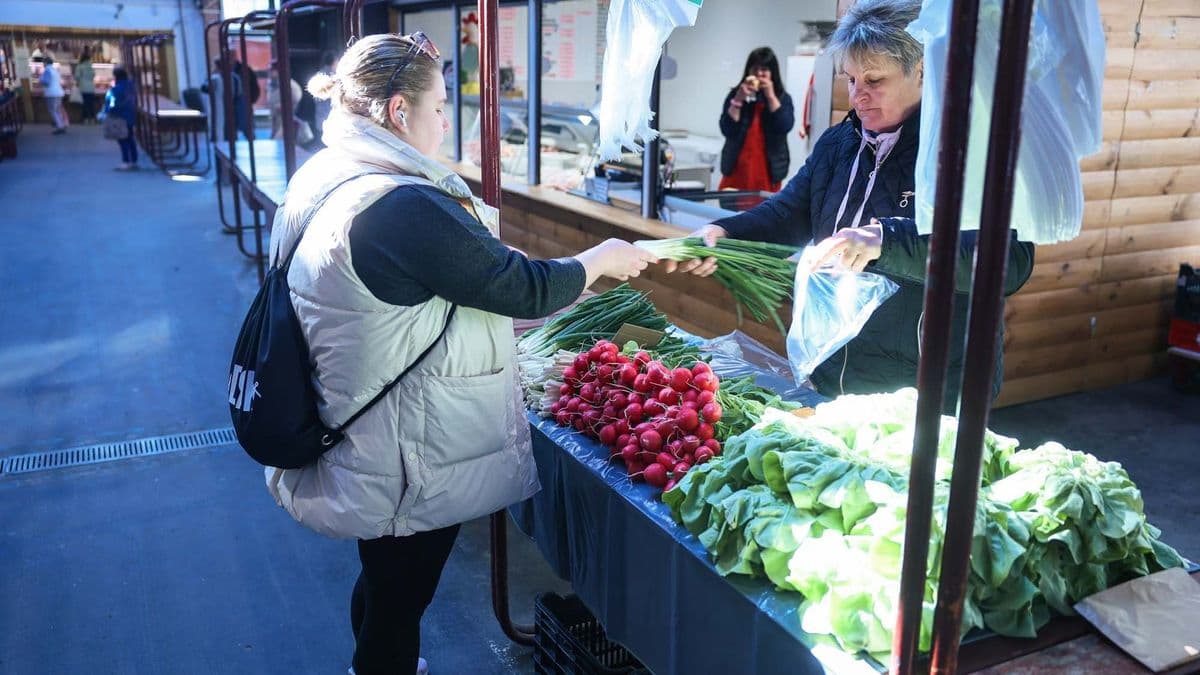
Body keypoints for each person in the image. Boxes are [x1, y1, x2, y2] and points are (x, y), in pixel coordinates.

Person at [264, 32, 659, 675]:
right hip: (403, 445)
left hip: (354, 415)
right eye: (442, 106)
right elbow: (521, 287)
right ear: (398, 112)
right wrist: (600, 261)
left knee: (386, 575)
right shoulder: (401, 203)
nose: (448, 121)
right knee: (401, 592)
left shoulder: (331, 170)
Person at [676, 0, 1035, 406]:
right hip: (834, 372)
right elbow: (789, 212)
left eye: (874, 80)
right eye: (850, 80)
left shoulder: (964, 152)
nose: (857, 97)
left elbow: (1010, 262)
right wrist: (726, 232)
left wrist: (887, 241)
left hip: (927, 388)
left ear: (922, 71)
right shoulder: (839, 143)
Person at [718, 46, 795, 192]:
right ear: (748, 70)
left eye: (764, 70)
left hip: (768, 173)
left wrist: (770, 96)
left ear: (773, 73)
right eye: (755, 69)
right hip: (736, 171)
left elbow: (785, 126)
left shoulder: (783, 98)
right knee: (731, 213)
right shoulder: (736, 94)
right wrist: (738, 99)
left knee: (765, 213)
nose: (759, 74)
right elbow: (727, 129)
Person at [101, 67, 138, 170]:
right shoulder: (131, 86)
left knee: (122, 139)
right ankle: (134, 160)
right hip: (130, 115)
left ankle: (126, 161)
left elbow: (112, 104)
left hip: (120, 117)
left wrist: (107, 111)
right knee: (130, 138)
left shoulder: (115, 89)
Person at [310, 50, 338, 140]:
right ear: (334, 61)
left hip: (320, 118)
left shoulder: (317, 75)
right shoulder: (335, 77)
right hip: (332, 119)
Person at [40, 56, 67, 134]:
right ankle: (62, 124)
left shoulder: (47, 71)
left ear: (45, 63)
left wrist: (40, 79)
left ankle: (59, 127)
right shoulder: (55, 70)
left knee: (52, 111)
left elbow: (46, 82)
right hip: (59, 93)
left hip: (51, 94)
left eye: (43, 63)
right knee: (57, 110)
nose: (43, 64)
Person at [74, 47, 97, 124]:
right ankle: (93, 119)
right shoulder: (91, 67)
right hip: (91, 88)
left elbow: (77, 77)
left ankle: (85, 119)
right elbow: (93, 76)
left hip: (83, 87)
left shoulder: (80, 67)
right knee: (91, 104)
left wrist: (78, 82)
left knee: (85, 104)